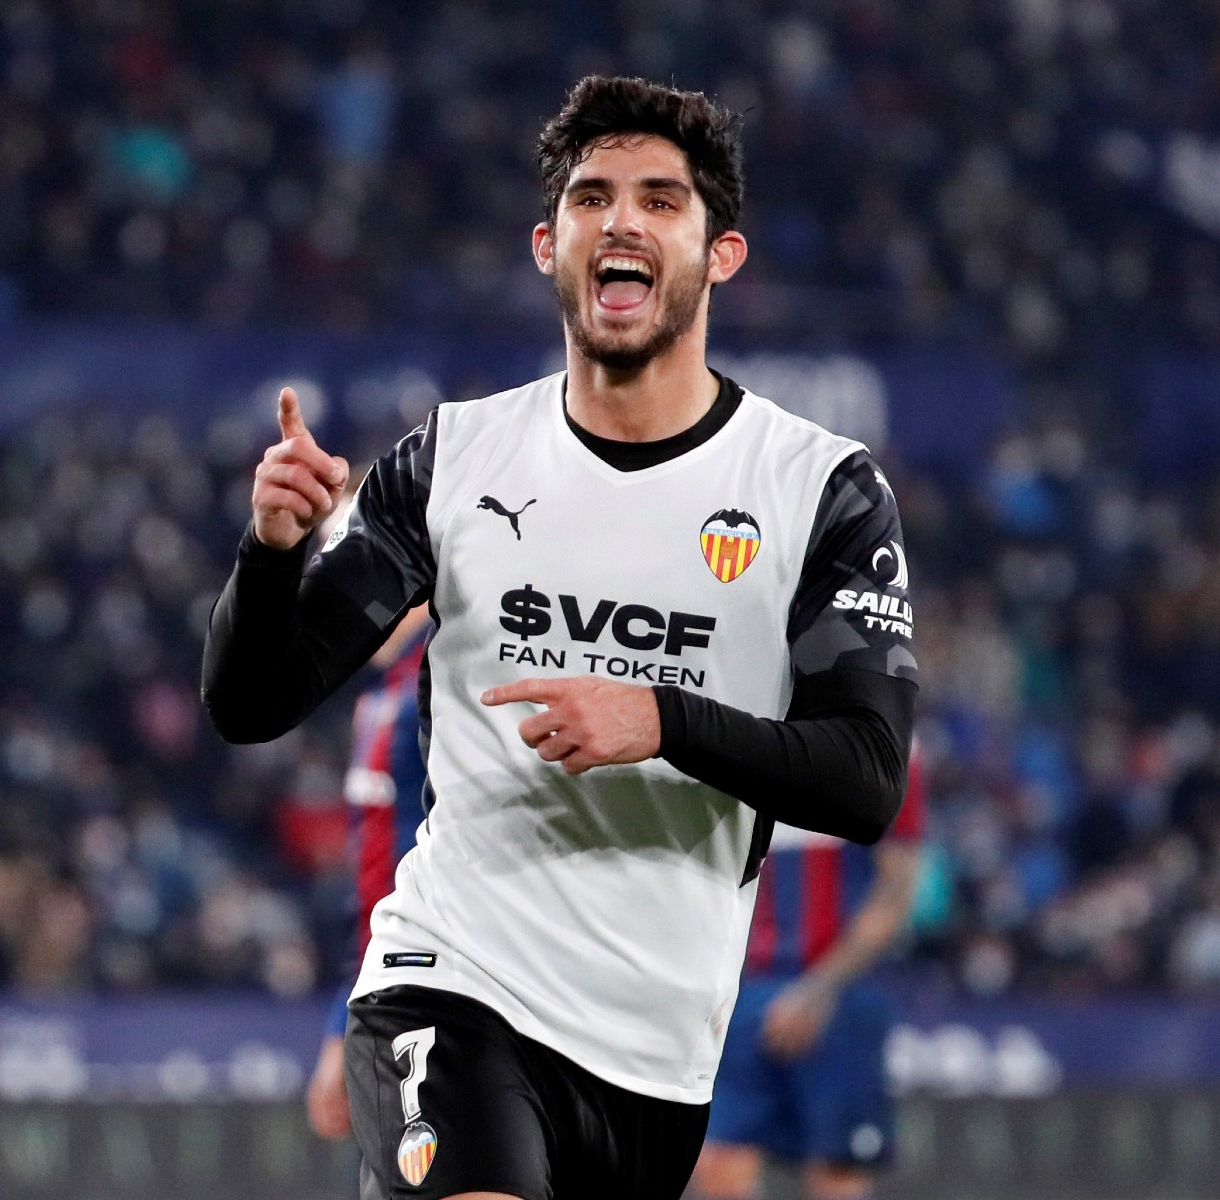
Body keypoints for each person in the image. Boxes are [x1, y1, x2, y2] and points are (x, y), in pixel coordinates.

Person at [203, 73, 918, 1200]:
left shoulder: (819, 489)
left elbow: (866, 781)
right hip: (454, 978)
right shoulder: (452, 461)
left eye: (660, 200)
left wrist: (660, 719)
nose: (622, 220)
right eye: (592, 198)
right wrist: (272, 554)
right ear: (550, 244)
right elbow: (252, 703)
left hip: (660, 1052)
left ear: (720, 255)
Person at [690, 750, 927, 1200]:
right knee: (719, 1166)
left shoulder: (887, 748)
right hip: (744, 989)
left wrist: (818, 991)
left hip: (841, 994)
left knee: (837, 1174)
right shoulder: (742, 728)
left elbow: (896, 889)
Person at [308, 605, 432, 1142]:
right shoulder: (386, 691)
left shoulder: (452, 677)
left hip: (444, 987)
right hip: (392, 981)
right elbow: (377, 884)